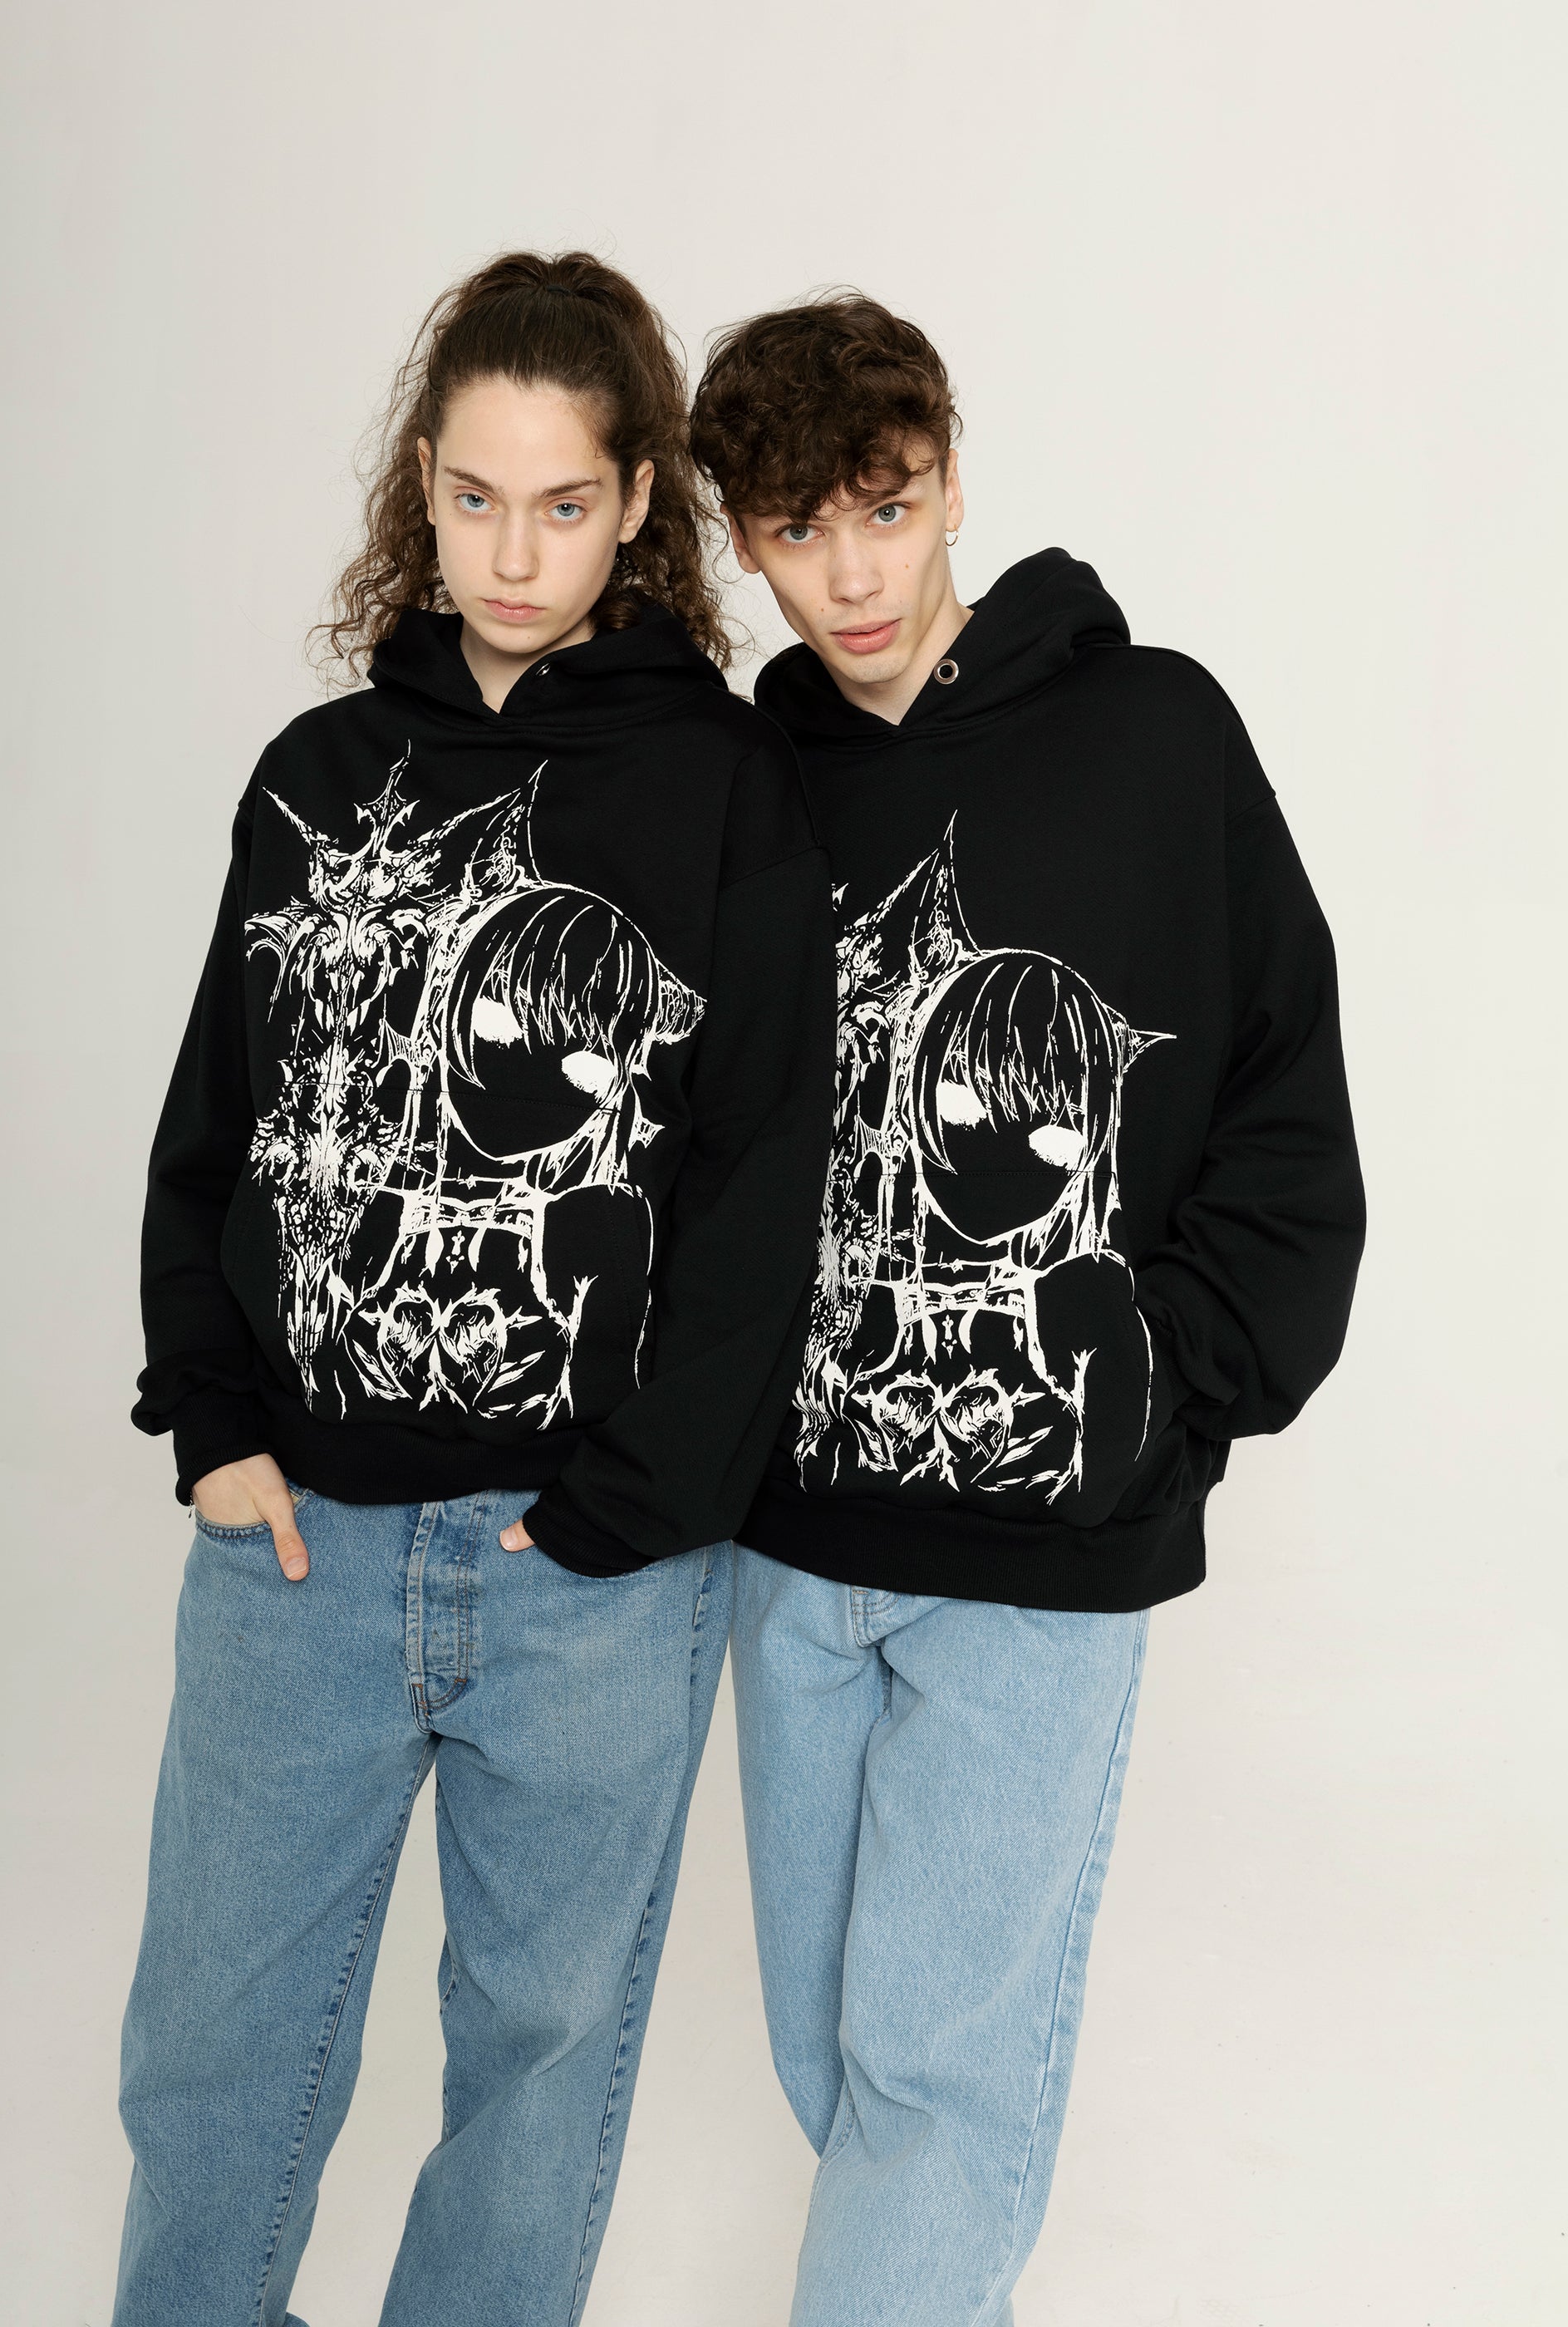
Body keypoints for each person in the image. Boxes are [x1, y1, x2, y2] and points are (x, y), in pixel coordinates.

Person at [116, 250, 833, 2327]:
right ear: (417, 485)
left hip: (585, 1575)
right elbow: (215, 1123)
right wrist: (214, 1420)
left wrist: (630, 1505)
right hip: (297, 1555)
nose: (512, 555)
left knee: (536, 2078)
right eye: (472, 497)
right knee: (213, 2063)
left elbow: (760, 1184)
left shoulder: (727, 789)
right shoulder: (314, 772)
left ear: (638, 507)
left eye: (564, 503)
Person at [690, 294, 1364, 2325]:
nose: (851, 575)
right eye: (797, 532)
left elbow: (1283, 1097)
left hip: (1041, 1558)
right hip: (789, 1545)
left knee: (934, 2082)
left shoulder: (1155, 732)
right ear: (744, 541)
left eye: (884, 508)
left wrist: (1152, 1387)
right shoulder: (747, 786)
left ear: (951, 475)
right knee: (837, 2062)